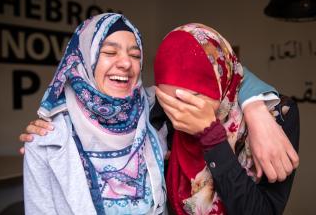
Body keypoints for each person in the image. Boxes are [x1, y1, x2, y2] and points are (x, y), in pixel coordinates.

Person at [23, 13, 167, 214]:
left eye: (135, 55)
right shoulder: (46, 140)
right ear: (83, 58)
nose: (126, 63)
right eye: (109, 52)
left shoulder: (156, 114)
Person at [153, 23, 299, 214]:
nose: (181, 112)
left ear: (221, 84)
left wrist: (212, 138)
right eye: (170, 102)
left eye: (192, 100)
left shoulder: (278, 115)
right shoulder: (160, 116)